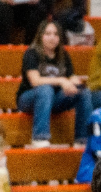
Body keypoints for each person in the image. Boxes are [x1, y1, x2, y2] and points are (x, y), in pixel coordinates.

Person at [16, 19, 92, 147]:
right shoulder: (32, 53)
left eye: (56, 34)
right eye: (48, 33)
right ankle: (40, 137)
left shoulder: (63, 55)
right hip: (29, 98)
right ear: (40, 36)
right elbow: (35, 81)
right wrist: (61, 80)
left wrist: (76, 84)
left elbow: (71, 76)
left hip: (54, 100)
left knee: (83, 92)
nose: (52, 37)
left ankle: (82, 140)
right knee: (45, 89)